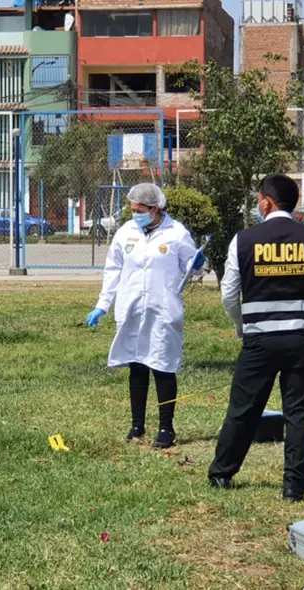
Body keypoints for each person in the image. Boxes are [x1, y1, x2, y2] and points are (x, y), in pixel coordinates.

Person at [208, 174, 304, 501]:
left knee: (243, 409)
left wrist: (239, 324)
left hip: (259, 340)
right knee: (299, 414)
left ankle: (222, 473)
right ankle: (293, 486)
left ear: (266, 201)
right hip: (301, 341)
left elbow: (229, 294)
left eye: (259, 199)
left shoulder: (243, 240)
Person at [85, 184, 206, 449]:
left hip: (163, 310)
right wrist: (102, 305)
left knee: (163, 367)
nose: (135, 214)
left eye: (140, 210)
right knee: (136, 366)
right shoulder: (126, 232)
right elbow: (113, 269)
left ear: (155, 209)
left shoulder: (176, 233)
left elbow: (192, 268)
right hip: (132, 308)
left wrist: (197, 264)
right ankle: (137, 425)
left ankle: (166, 427)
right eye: (132, 209)